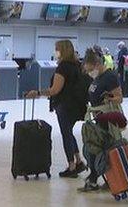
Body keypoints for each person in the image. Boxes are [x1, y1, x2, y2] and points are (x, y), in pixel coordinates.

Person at [25, 39, 87, 177]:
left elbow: (55, 90)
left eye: (57, 49)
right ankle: (78, 160)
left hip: (64, 105)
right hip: (76, 105)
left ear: (62, 51)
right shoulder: (76, 65)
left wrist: (38, 93)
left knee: (66, 134)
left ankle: (71, 166)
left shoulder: (63, 67)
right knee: (69, 133)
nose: (55, 51)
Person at [79, 49, 123, 193]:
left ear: (97, 64)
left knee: (97, 148)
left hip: (108, 119)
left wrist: (109, 97)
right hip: (98, 117)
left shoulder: (109, 76)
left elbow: (119, 97)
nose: (90, 72)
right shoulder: (97, 78)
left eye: (91, 69)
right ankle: (102, 178)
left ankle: (94, 179)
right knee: (95, 148)